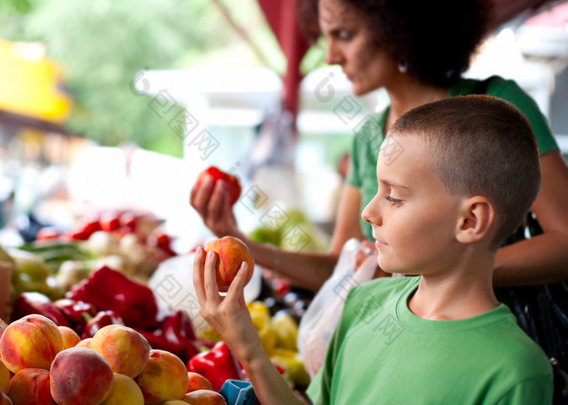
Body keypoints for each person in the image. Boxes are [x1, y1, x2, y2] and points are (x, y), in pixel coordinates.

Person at [193, 95, 553, 404]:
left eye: (394, 197)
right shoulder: (363, 302)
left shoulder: (515, 372)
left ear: (470, 221)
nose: (368, 212)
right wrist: (248, 348)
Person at [190, 0, 568, 291]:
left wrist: (448, 267)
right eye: (327, 38)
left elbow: (564, 242)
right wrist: (239, 243)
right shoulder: (369, 136)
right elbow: (338, 268)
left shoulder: (499, 105)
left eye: (345, 35)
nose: (330, 57)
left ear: (401, 26)